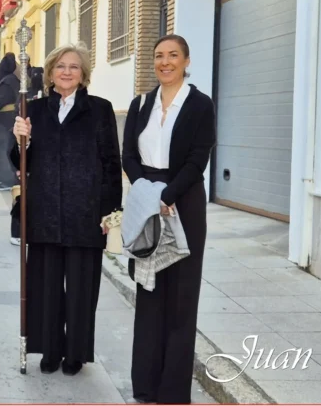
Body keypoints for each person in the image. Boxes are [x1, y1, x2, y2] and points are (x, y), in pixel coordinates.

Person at [11, 43, 122, 375]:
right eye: (60, 66)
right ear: (49, 73)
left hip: (85, 213)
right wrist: (22, 141)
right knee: (44, 286)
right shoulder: (33, 109)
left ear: (84, 74)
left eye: (74, 66)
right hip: (44, 209)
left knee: (80, 288)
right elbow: (17, 163)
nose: (67, 71)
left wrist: (110, 214)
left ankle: (75, 352)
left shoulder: (100, 110)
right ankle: (49, 349)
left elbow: (111, 164)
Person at [123, 34, 215, 404]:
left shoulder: (200, 104)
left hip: (185, 202)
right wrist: (149, 194)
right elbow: (128, 154)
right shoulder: (141, 103)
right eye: (159, 55)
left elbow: (199, 156)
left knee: (181, 296)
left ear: (186, 61)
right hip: (147, 200)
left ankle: (173, 391)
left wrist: (170, 194)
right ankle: (145, 385)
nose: (165, 62)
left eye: (173, 55)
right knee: (149, 294)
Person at [0, 53, 20, 191]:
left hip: (5, 120)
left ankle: (8, 180)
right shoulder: (10, 79)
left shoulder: (8, 82)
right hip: (6, 120)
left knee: (4, 148)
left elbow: (2, 100)